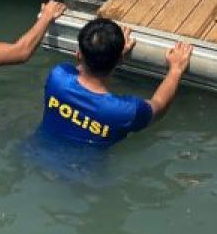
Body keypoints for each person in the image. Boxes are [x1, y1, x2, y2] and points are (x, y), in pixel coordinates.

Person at [39, 18, 192, 147]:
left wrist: (111, 53)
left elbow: (80, 68)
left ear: (78, 55)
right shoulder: (125, 111)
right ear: (120, 60)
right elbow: (159, 105)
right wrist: (175, 69)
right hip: (85, 176)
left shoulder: (57, 77)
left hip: (37, 154)